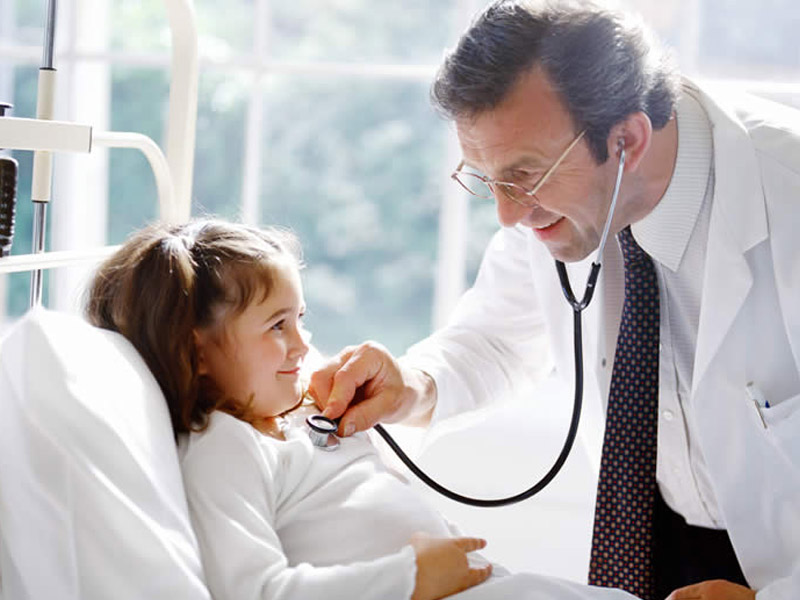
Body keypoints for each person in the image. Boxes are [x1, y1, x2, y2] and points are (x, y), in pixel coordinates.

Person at [309, 2, 800, 600]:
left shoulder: (787, 192)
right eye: (487, 179)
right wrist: (413, 386)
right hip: (657, 535)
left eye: (525, 176)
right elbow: (496, 338)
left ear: (627, 140)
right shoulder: (557, 199)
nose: (508, 214)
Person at [85, 218, 636, 600]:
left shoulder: (303, 417)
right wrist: (409, 579)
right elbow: (256, 592)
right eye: (277, 326)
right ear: (197, 351)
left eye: (301, 319)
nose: (302, 345)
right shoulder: (224, 448)